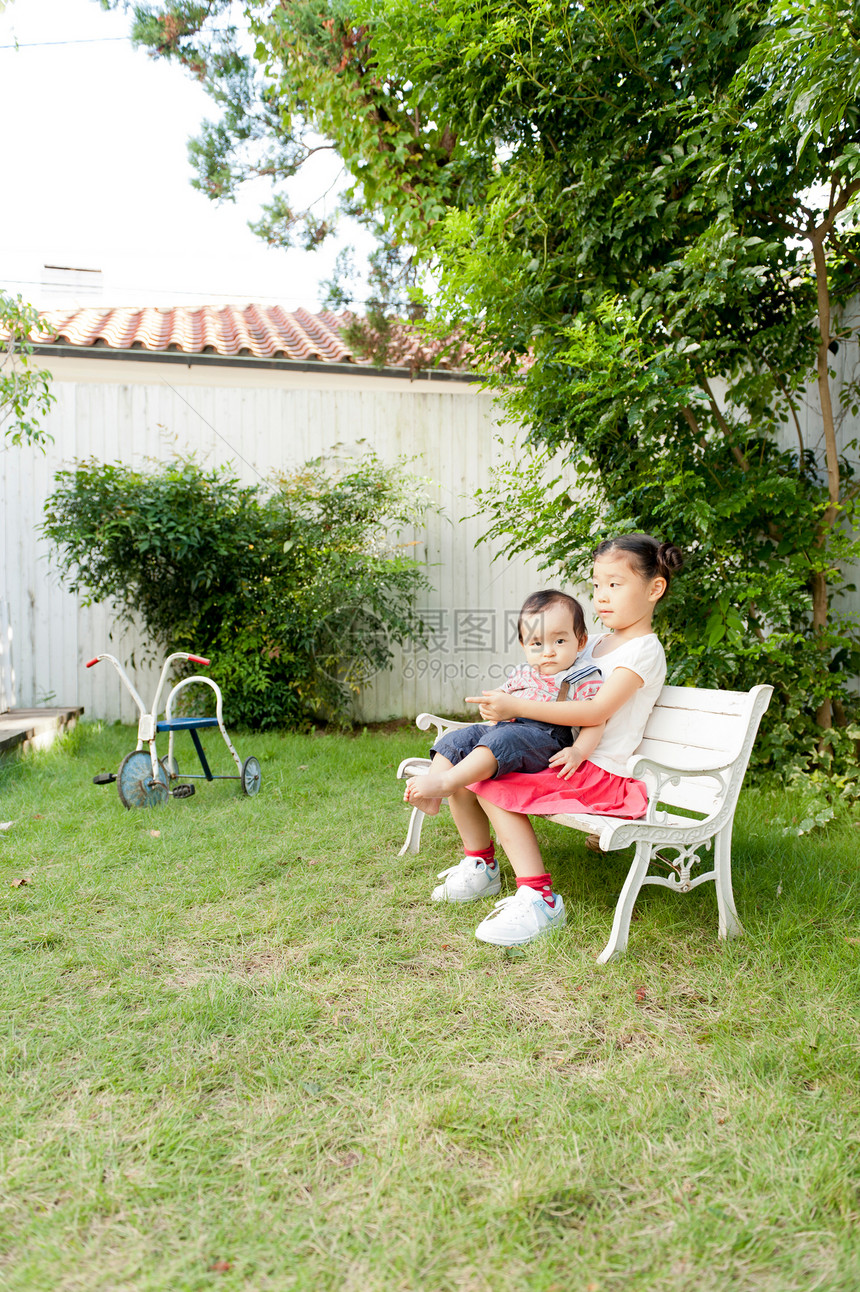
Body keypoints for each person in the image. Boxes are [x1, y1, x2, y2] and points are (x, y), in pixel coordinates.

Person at [426, 533, 684, 947]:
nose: (601, 596)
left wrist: (514, 709)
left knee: (493, 780)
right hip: (563, 753)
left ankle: (540, 898)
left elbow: (592, 712)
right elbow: (550, 682)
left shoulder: (644, 651)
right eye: (597, 584)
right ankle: (481, 866)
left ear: (655, 588)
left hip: (598, 769)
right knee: (472, 757)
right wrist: (513, 700)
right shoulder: (594, 641)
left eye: (615, 585)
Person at [404, 590, 605, 837]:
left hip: (546, 738)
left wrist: (578, 751)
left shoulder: (584, 676)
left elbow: (595, 718)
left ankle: (447, 782)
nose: (548, 652)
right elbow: (503, 695)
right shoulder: (523, 672)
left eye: (559, 641)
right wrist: (490, 705)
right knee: (458, 738)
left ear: (581, 641)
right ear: (524, 645)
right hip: (507, 728)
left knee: (498, 741)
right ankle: (433, 795)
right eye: (537, 644)